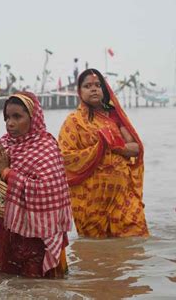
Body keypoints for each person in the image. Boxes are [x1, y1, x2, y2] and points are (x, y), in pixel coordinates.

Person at [0, 92, 72, 278]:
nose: (9, 123)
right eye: (7, 118)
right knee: (11, 284)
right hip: (6, 235)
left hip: (36, 240)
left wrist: (6, 173)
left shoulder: (46, 147)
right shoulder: (3, 144)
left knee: (38, 288)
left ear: (33, 118)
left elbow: (45, 190)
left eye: (17, 117)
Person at [58, 68, 149, 238]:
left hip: (121, 193)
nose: (93, 89)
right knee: (95, 249)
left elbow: (136, 148)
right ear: (80, 92)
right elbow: (65, 157)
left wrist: (114, 146)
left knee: (135, 235)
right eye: (87, 86)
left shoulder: (114, 116)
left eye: (97, 85)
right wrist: (99, 147)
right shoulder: (73, 121)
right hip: (90, 197)